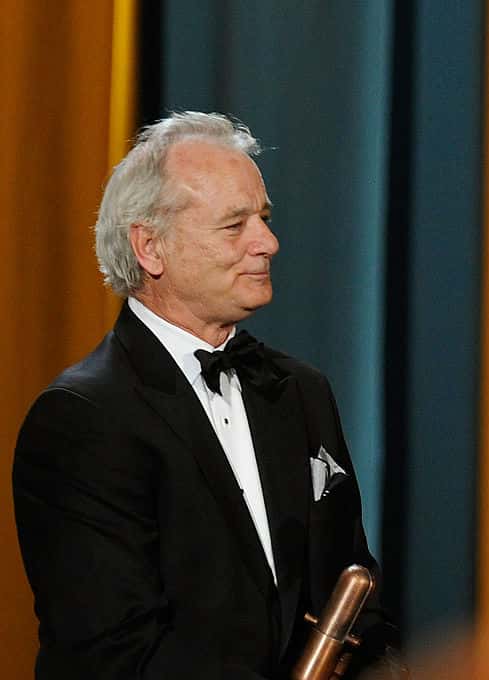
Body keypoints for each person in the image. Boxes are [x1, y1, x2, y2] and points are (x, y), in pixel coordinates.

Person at [13, 112, 402, 679]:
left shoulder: (301, 393)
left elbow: (357, 600)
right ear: (150, 249)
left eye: (264, 219)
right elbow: (115, 650)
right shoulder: (82, 419)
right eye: (234, 225)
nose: (268, 242)